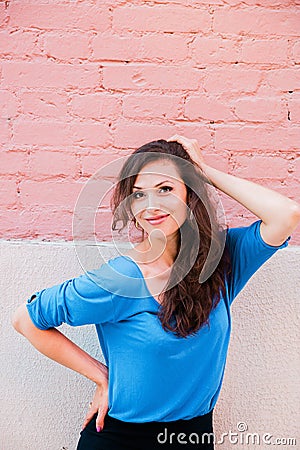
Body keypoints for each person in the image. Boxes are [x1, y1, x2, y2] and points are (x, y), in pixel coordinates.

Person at [12, 135, 300, 450]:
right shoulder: (120, 279)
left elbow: (286, 215)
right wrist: (102, 377)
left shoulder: (222, 259)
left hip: (194, 437)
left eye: (165, 189)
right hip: (121, 439)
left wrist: (203, 170)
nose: (152, 205)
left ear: (191, 194)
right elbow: (26, 320)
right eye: (138, 195)